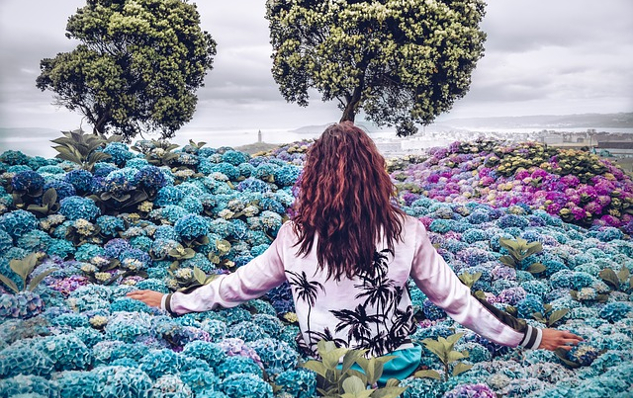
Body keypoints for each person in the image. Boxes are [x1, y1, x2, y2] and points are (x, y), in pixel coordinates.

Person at [128, 122, 582, 382]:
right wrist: (532, 337)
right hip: (398, 369)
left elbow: (236, 287)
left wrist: (171, 302)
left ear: (314, 176)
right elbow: (457, 300)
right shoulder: (407, 231)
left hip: (327, 373)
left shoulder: (295, 235)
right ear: (375, 173)